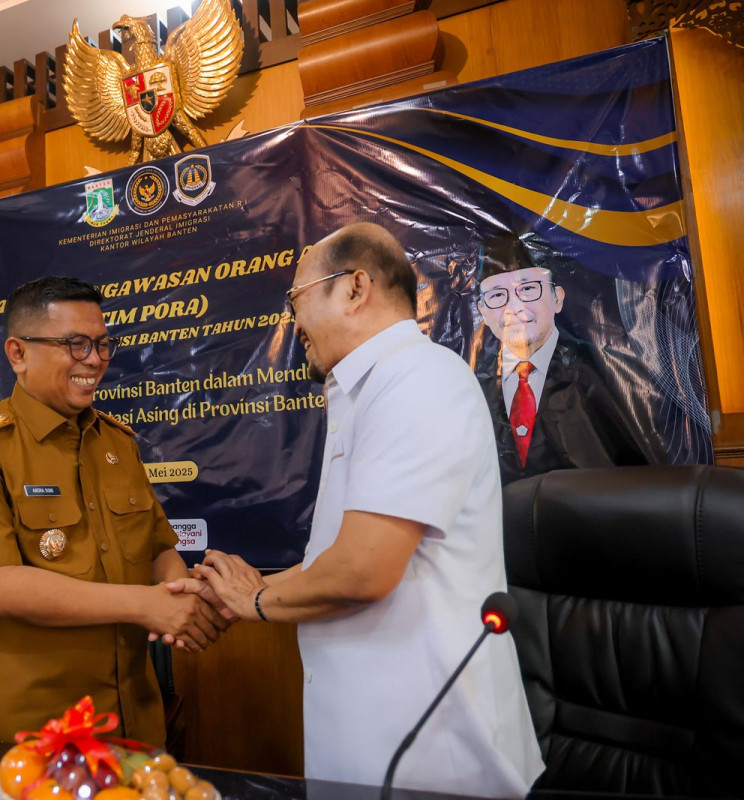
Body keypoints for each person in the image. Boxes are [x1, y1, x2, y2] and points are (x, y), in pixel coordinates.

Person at [181, 223, 543, 796]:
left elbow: (361, 571)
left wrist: (254, 601)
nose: (292, 323)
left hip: (432, 753)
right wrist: (254, 588)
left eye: (295, 298)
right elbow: (338, 558)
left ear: (354, 288)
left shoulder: (417, 381)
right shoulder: (366, 388)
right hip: (369, 737)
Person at [0, 276, 227, 745]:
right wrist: (146, 606)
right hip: (32, 733)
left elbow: (157, 549)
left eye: (102, 344)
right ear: (18, 353)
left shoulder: (118, 442)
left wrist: (183, 596)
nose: (93, 360)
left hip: (132, 721)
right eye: (75, 344)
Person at [475, 232, 665, 484]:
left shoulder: (607, 369)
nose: (515, 307)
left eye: (528, 289)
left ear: (557, 298)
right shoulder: (470, 385)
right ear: (483, 312)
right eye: (497, 295)